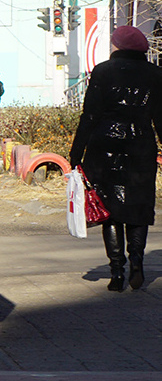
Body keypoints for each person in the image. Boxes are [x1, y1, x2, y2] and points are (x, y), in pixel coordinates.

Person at [68, 26, 162, 291]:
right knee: (139, 207)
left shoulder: (102, 71)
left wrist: (77, 152)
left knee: (109, 209)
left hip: (104, 146)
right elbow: (161, 118)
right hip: (141, 145)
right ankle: (137, 264)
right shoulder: (156, 75)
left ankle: (117, 272)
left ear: (118, 46)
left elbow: (89, 115)